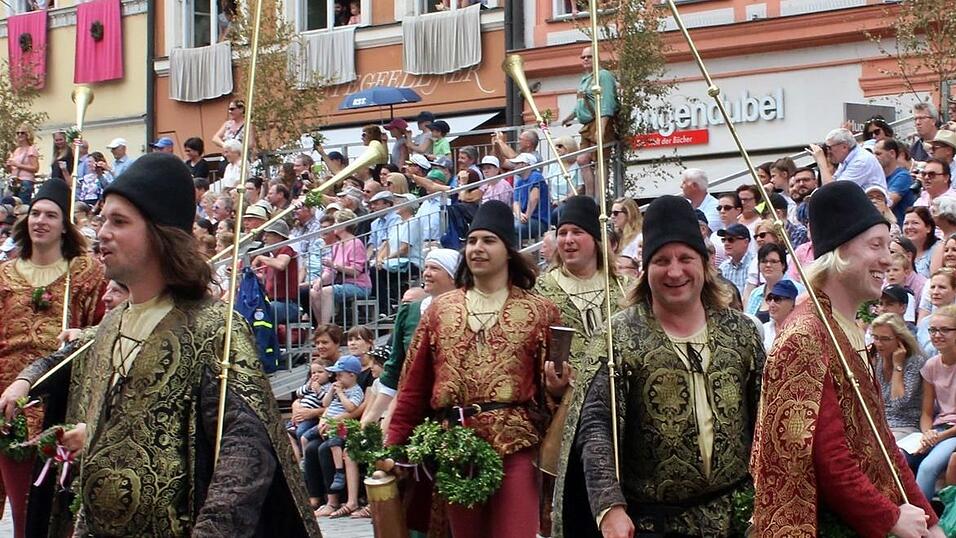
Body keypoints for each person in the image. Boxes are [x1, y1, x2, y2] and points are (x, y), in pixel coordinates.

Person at [5, 153, 320, 536]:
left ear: (159, 234)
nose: (102, 232)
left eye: (119, 222)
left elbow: (246, 450)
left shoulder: (215, 327)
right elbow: (110, 405)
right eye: (103, 219)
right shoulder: (112, 325)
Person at [555, 194, 763, 537]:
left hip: (735, 518)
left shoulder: (740, 332)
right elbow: (596, 426)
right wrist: (609, 506)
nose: (675, 271)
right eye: (662, 260)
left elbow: (764, 419)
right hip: (652, 523)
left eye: (686, 258)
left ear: (705, 264)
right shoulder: (618, 336)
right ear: (646, 268)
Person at [752, 181, 940, 536]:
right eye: (875, 245)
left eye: (889, 245)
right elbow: (828, 457)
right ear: (838, 252)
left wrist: (929, 520)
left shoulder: (850, 327)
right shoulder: (805, 336)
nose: (888, 258)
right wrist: (890, 517)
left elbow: (881, 444)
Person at [387, 200, 563, 538]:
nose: (477, 248)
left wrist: (557, 388)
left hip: (515, 442)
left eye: (488, 240)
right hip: (456, 444)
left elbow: (553, 389)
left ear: (508, 250)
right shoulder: (440, 310)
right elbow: (414, 385)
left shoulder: (541, 312)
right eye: (472, 241)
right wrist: (396, 445)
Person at [0, 179, 106, 538]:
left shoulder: (86, 272)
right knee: (21, 506)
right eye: (34, 213)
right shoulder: (4, 274)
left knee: (53, 509)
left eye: (50, 214)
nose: (40, 220)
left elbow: (101, 327)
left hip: (60, 402)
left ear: (65, 224)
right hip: (9, 402)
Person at [533, 196, 627, 536]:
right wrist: (552, 385)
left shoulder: (623, 287)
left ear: (596, 239)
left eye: (577, 232)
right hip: (567, 412)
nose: (568, 240)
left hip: (621, 408)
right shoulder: (541, 290)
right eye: (562, 232)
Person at [363, 249, 461, 430]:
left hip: (453, 409)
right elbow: (394, 366)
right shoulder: (410, 312)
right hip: (413, 404)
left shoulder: (466, 311)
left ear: (452, 277)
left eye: (435, 268)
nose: (427, 273)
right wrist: (371, 417)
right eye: (426, 267)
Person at [911, 304, 956, 501]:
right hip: (938, 429)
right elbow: (927, 413)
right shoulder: (931, 365)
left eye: (945, 329)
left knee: (928, 468)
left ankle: (924, 522)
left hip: (951, 431)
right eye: (933, 329)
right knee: (901, 457)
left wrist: (939, 437)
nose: (937, 335)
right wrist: (928, 433)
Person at [561, 46, 617, 197]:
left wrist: (602, 127)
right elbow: (582, 101)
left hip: (598, 122)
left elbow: (607, 102)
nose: (585, 59)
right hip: (587, 125)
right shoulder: (585, 78)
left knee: (600, 160)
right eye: (583, 57)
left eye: (589, 57)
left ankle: (599, 199)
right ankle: (590, 196)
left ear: (597, 58)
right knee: (582, 158)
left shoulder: (603, 75)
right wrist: (571, 116)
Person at [311, 209, 372, 325]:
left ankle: (325, 326)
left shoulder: (356, 243)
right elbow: (329, 271)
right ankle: (321, 326)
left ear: (343, 225)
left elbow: (356, 272)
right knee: (314, 292)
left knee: (326, 291)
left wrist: (334, 265)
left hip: (359, 285)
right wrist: (320, 280)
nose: (333, 226)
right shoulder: (337, 245)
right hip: (341, 283)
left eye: (335, 223)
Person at [870, 313, 925, 441]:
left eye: (885, 339)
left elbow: (898, 402)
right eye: (876, 338)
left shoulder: (914, 362)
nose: (879, 344)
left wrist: (897, 366)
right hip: (879, 425)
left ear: (899, 339)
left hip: (905, 426)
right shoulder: (877, 359)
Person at [875, 138, 916, 224]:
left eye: (878, 154)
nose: (875, 158)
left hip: (900, 229)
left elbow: (888, 203)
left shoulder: (903, 176)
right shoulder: (877, 177)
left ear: (892, 153)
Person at [511, 153, 551, 242]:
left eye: (517, 164)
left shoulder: (536, 176)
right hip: (526, 219)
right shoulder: (519, 182)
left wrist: (526, 216)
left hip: (539, 220)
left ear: (526, 164)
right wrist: (519, 214)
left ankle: (516, 254)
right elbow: (516, 202)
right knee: (504, 227)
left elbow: (534, 198)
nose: (514, 166)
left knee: (513, 228)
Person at [916, 269, 956, 358]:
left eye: (942, 287)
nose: (935, 292)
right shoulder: (925, 323)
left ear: (954, 290)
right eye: (932, 287)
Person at [4, 124, 39, 203]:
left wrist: (17, 165)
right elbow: (13, 169)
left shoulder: (31, 149)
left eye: (22, 133)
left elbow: (35, 168)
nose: (20, 134)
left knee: (23, 205)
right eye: (18, 133)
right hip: (14, 181)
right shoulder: (17, 150)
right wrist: (9, 166)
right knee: (9, 205)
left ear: (28, 134)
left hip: (25, 181)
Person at [680, 168, 721, 233]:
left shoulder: (716, 207)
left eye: (684, 183)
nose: (681, 186)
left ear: (694, 186)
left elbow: (704, 232)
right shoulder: (683, 206)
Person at [717, 223, 753, 294]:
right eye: (724, 240)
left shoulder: (755, 265)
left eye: (731, 240)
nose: (726, 243)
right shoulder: (723, 267)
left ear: (745, 242)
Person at [762, 279, 798, 351]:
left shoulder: (797, 332)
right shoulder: (764, 329)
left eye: (777, 299)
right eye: (770, 298)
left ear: (792, 304)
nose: (771, 304)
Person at [904, 206, 939, 277]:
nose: (909, 227)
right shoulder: (900, 250)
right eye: (906, 223)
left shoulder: (937, 249)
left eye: (915, 223)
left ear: (928, 228)